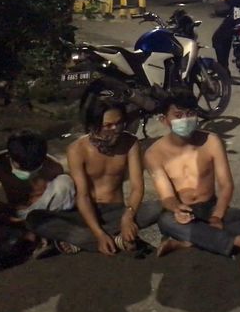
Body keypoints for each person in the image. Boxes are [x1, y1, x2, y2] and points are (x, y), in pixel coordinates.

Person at [145, 90, 240, 267]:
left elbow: (226, 185)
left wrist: (217, 216)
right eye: (178, 115)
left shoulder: (211, 141)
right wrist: (177, 209)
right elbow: (167, 197)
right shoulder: (153, 154)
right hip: (183, 214)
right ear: (164, 120)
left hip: (211, 207)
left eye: (190, 113)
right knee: (166, 221)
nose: (185, 120)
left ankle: (189, 241)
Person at [27, 100, 161, 255]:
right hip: (86, 213)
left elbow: (137, 187)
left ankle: (80, 241)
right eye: (108, 125)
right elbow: (83, 196)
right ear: (93, 125)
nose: (115, 129)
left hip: (117, 211)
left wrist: (128, 216)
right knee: (34, 218)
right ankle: (115, 240)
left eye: (119, 123)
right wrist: (98, 233)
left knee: (160, 207)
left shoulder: (130, 142)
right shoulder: (77, 149)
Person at [0, 130, 74, 253]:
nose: (29, 173)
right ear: (10, 156)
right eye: (23, 167)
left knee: (65, 182)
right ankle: (42, 232)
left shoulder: (52, 166)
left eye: (34, 167)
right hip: (21, 214)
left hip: (47, 212)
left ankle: (46, 232)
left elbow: (64, 199)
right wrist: (16, 221)